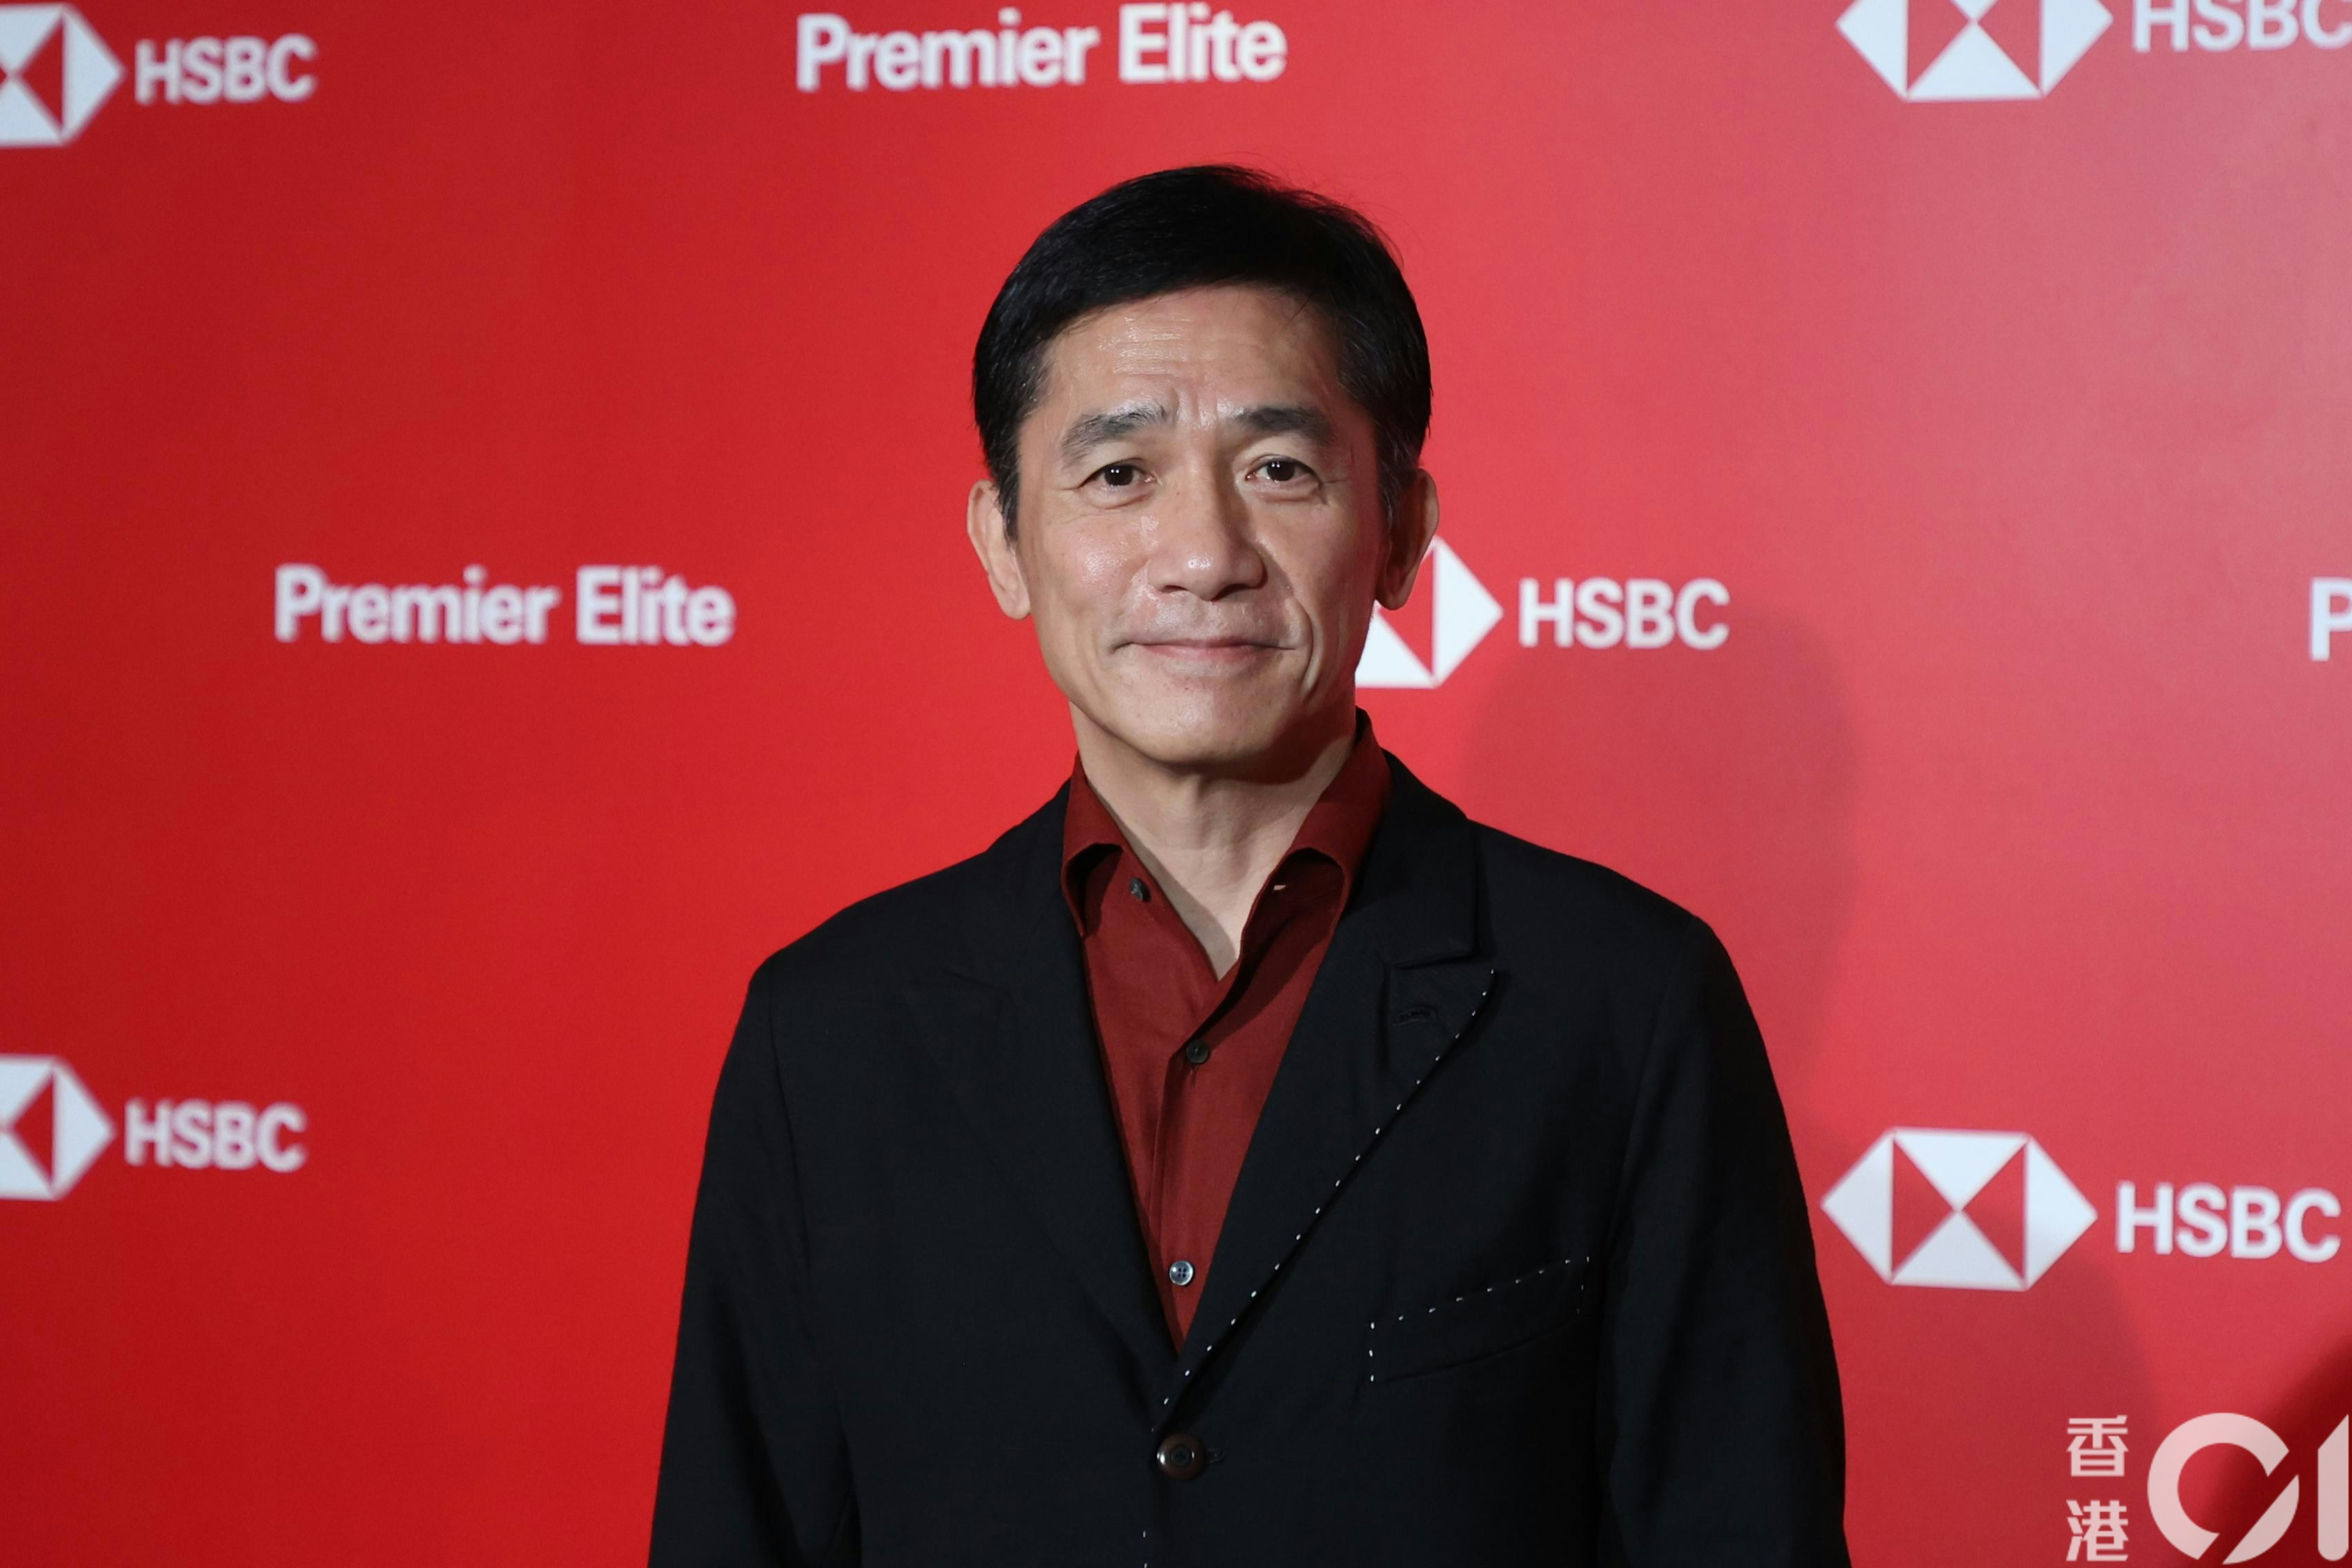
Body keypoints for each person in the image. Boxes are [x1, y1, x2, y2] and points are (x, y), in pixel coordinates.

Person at [650, 164, 1851, 1567]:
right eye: (1119, 475)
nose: (1206, 555)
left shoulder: (1622, 1002)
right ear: (1004, 543)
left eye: (1281, 470)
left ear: (1401, 532)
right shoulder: (831, 1029)